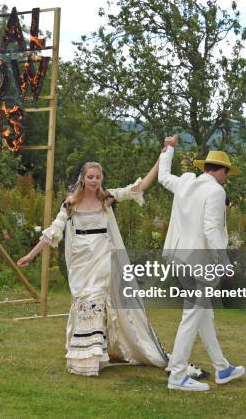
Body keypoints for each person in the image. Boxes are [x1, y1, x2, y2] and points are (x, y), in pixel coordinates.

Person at [17, 138, 206, 378]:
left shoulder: (107, 199)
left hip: (103, 259)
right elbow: (53, 231)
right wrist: (31, 255)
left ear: (101, 179)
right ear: (83, 179)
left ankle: (93, 358)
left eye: (98, 177)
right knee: (85, 302)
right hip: (81, 262)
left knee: (97, 300)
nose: (94, 181)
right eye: (90, 177)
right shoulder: (70, 204)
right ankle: (85, 357)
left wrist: (163, 156)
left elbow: (139, 187)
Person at [158, 137, 245, 391]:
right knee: (193, 315)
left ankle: (222, 368)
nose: (226, 177)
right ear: (221, 171)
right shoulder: (216, 191)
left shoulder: (186, 182)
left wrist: (169, 149)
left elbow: (163, 176)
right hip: (200, 264)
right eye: (226, 172)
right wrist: (224, 263)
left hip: (179, 257)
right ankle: (176, 375)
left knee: (203, 314)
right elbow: (211, 229)